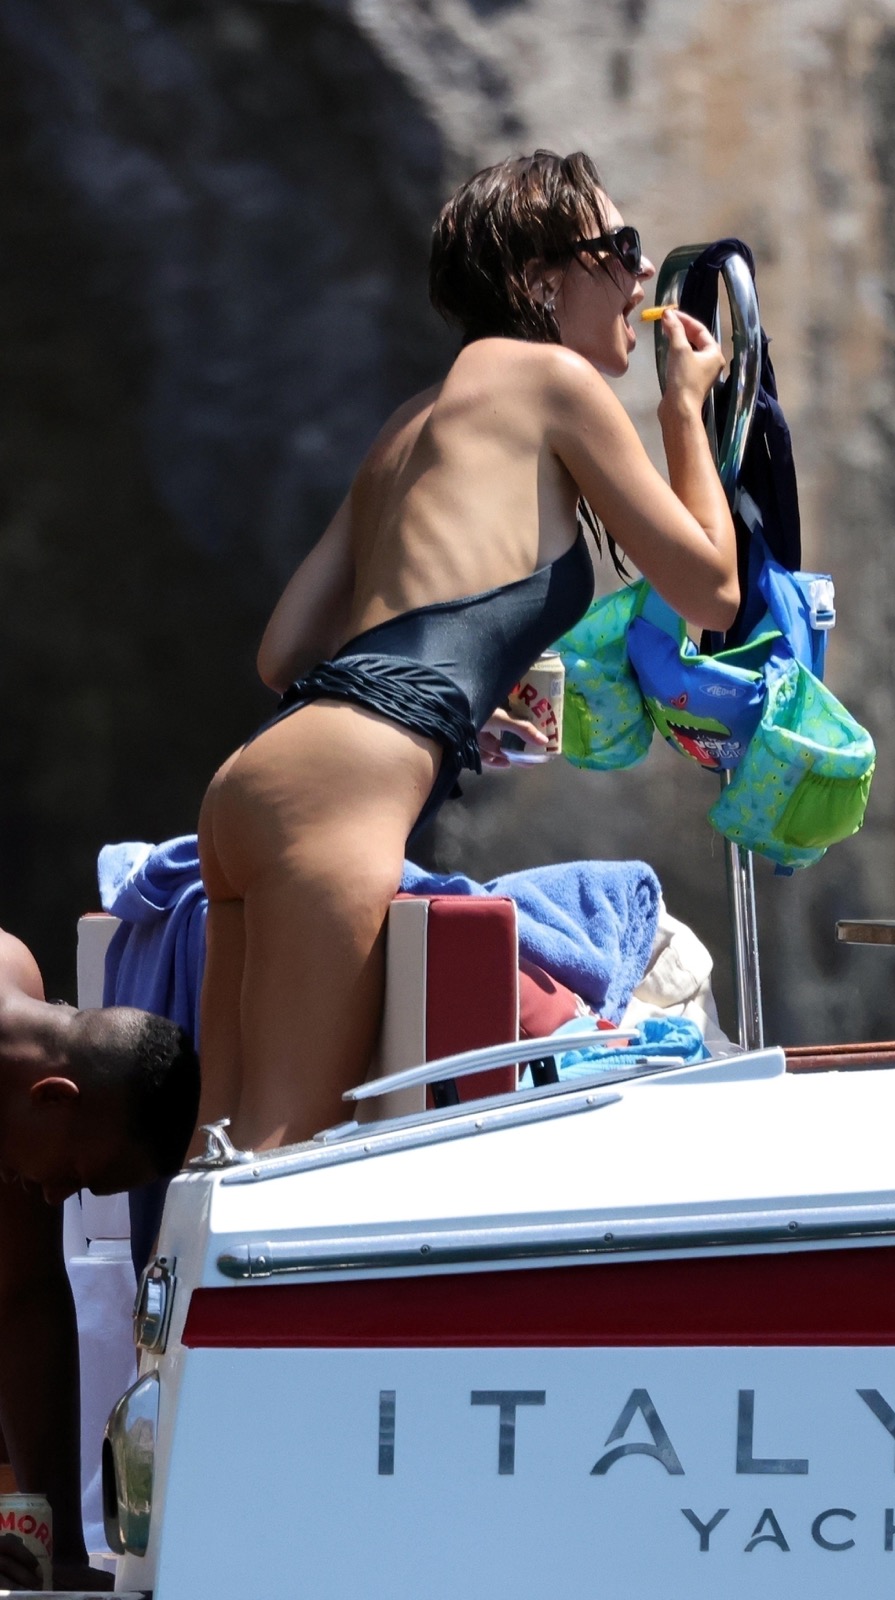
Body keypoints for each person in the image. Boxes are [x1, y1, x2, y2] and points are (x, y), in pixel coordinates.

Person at [196, 148, 739, 1154]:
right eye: (619, 247)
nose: (640, 271)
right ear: (541, 281)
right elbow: (710, 588)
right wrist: (682, 409)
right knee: (279, 1162)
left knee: (215, 1158)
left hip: (254, 787)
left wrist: (449, 694)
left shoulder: (412, 421)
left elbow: (284, 654)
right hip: (341, 799)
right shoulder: (551, 379)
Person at [0, 925, 199, 1593]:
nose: (55, 1195)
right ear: (55, 1096)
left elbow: (24, 1297)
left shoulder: (14, 986)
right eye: (75, 1176)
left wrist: (51, 1555)